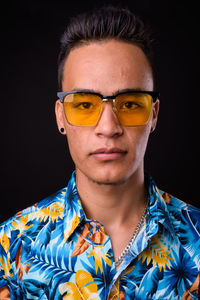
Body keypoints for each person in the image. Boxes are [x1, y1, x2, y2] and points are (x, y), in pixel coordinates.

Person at [0, 5, 199, 299]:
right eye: (84, 104)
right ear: (60, 117)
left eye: (130, 104)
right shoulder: (9, 246)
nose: (108, 127)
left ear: (154, 114)